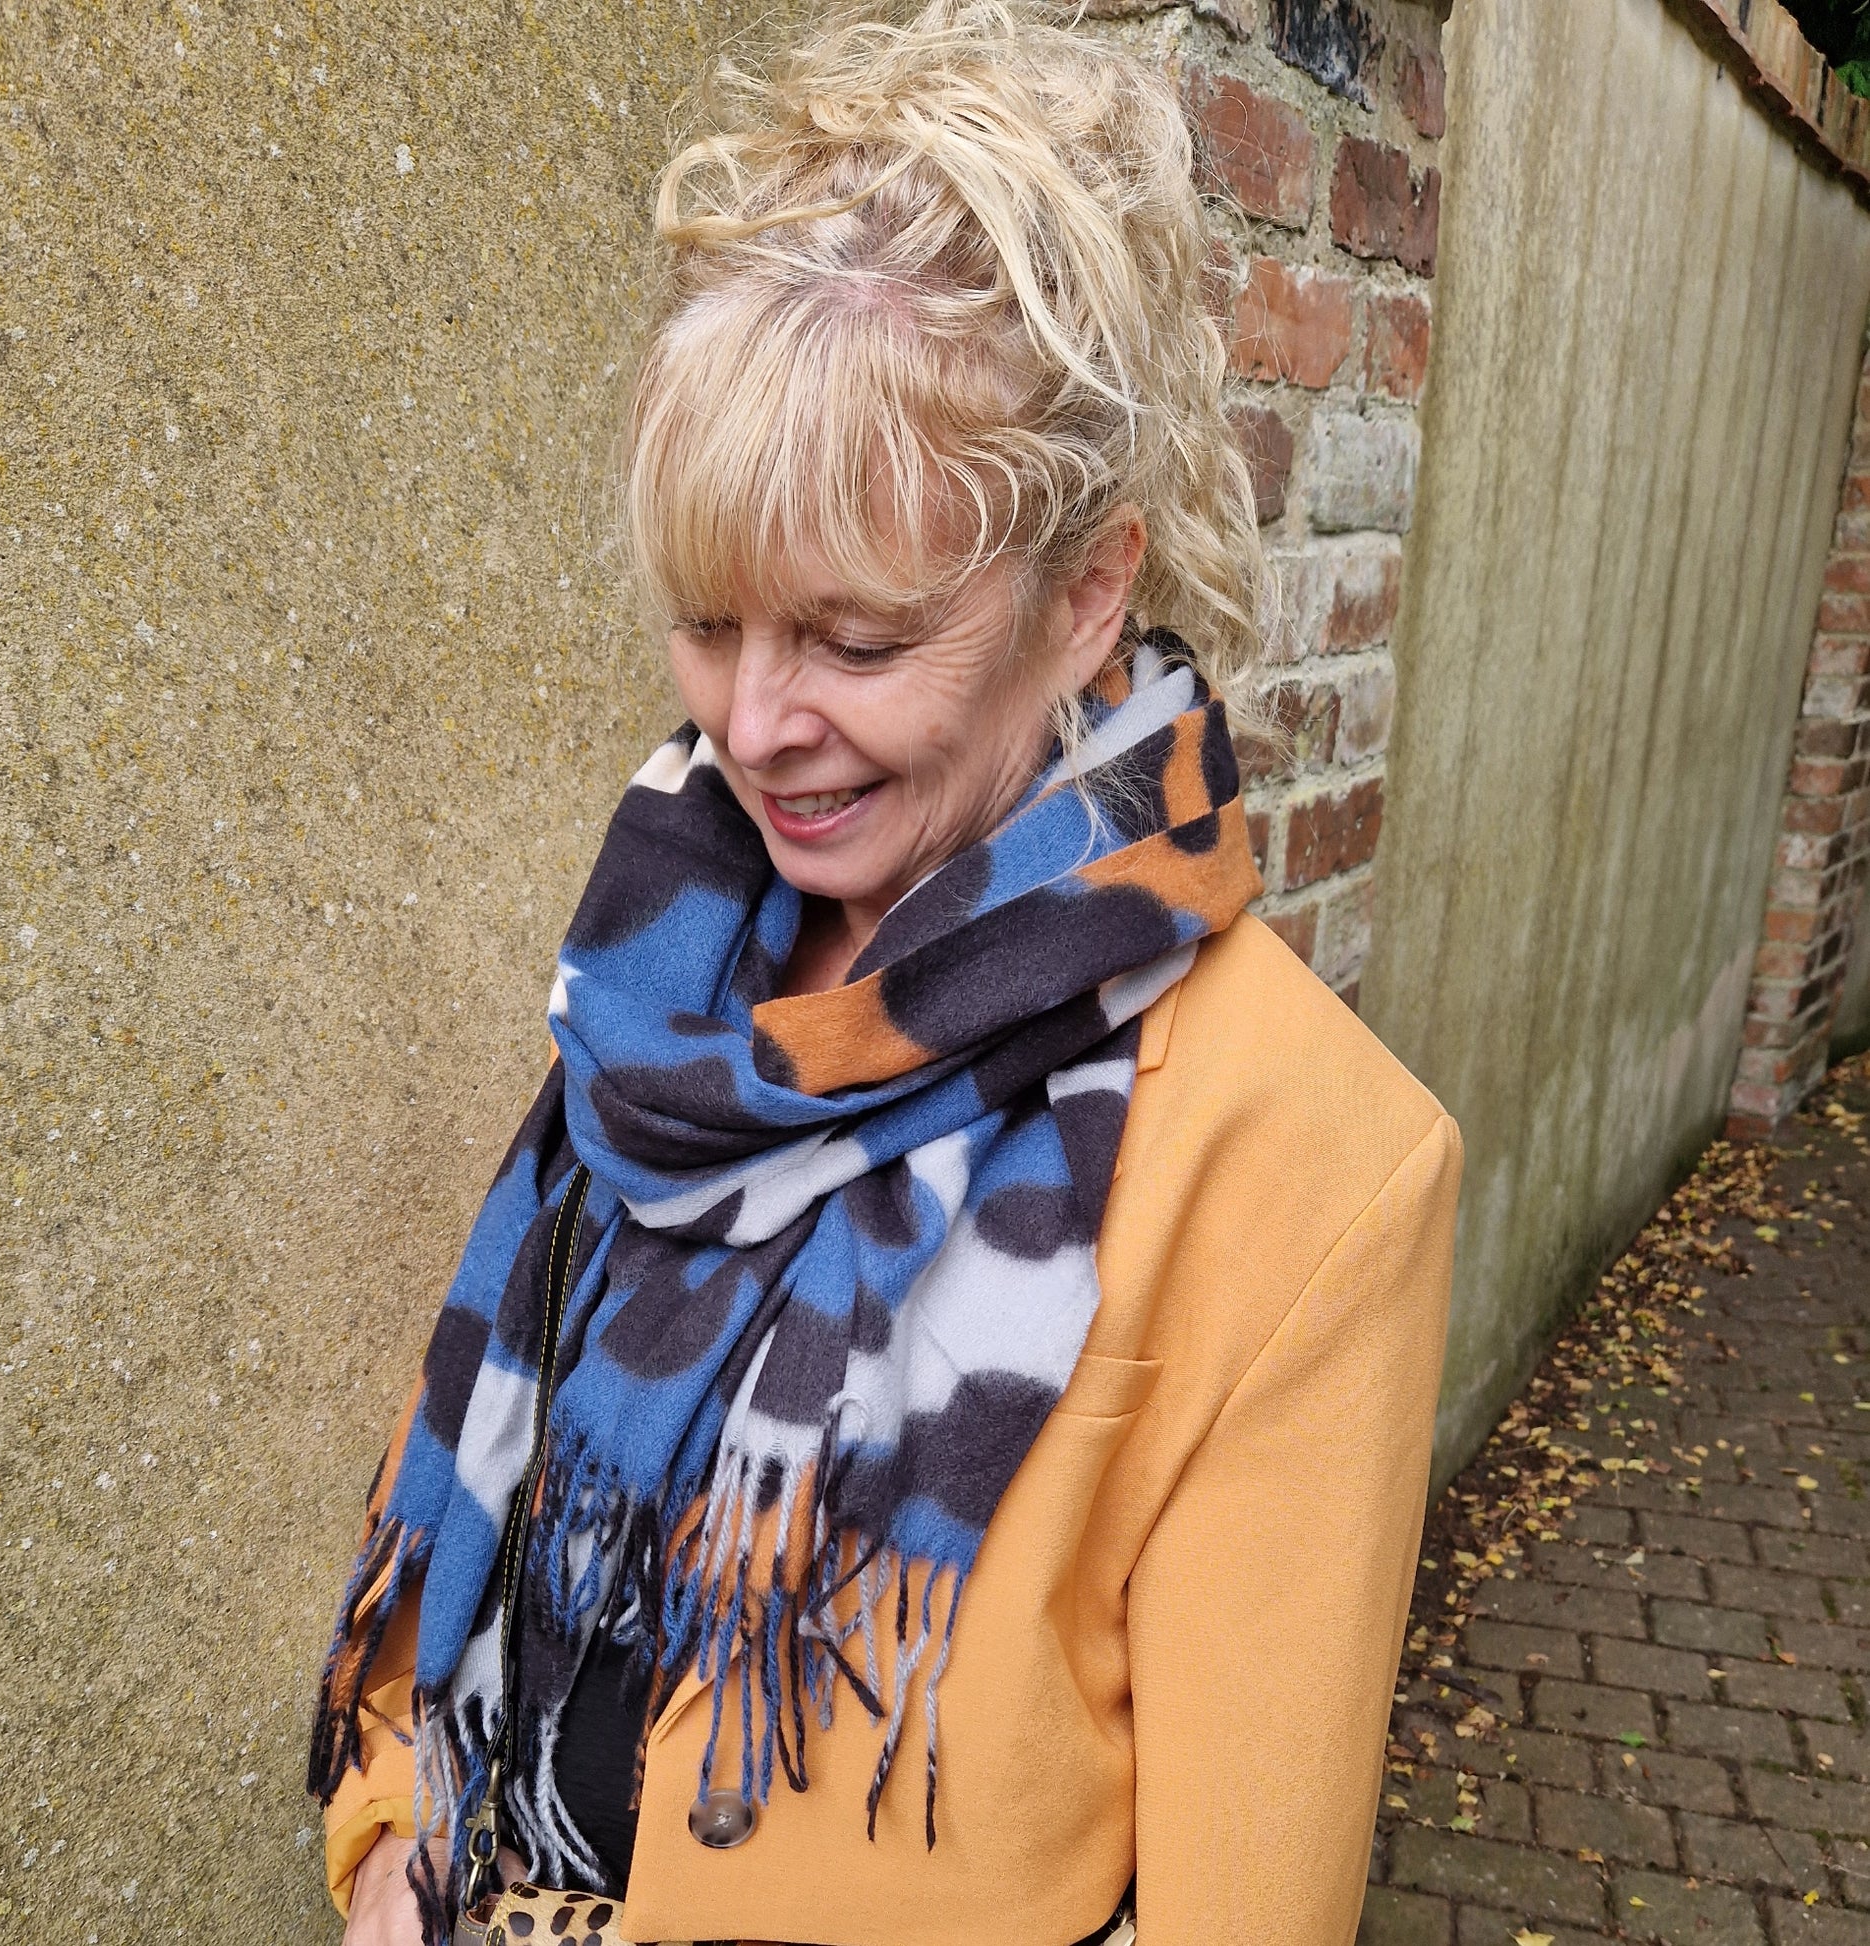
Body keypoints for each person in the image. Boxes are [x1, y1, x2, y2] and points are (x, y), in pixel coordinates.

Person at [308, 5, 1462, 1943]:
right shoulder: (664, 967)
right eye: (708, 622)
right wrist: (383, 1865)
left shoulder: (1313, 1171)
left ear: (1086, 590)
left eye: (851, 639)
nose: (755, 729)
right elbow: (449, 1522)